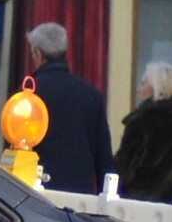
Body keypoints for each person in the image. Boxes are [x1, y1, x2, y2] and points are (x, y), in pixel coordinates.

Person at [24, 21, 115, 194]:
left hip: (37, 194)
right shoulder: (91, 95)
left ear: (38, 54)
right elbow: (104, 157)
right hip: (81, 197)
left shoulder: (30, 95)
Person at [114, 61, 172, 204]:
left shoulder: (142, 123)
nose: (138, 89)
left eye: (143, 84)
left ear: (156, 89)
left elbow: (124, 169)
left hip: (140, 206)